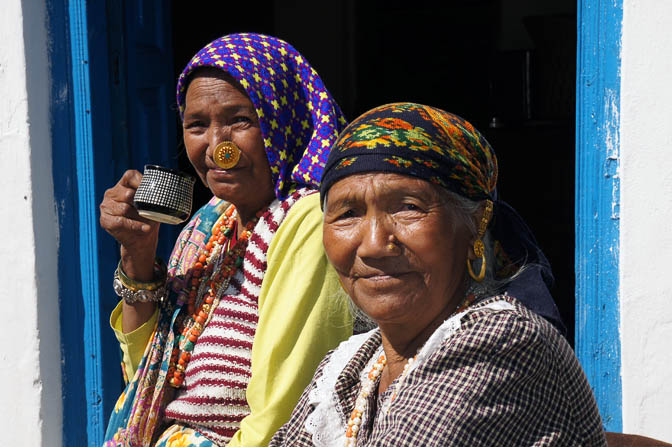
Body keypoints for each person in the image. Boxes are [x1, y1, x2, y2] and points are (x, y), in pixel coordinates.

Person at [271, 103, 606, 446]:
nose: (373, 245)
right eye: (348, 213)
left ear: (475, 223)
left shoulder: (501, 340)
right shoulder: (351, 367)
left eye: (408, 207)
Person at [100, 33, 353, 447]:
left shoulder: (307, 220)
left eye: (240, 121)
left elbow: (280, 416)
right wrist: (137, 257)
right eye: (197, 125)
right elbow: (145, 378)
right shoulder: (210, 224)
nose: (218, 148)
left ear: (281, 122)